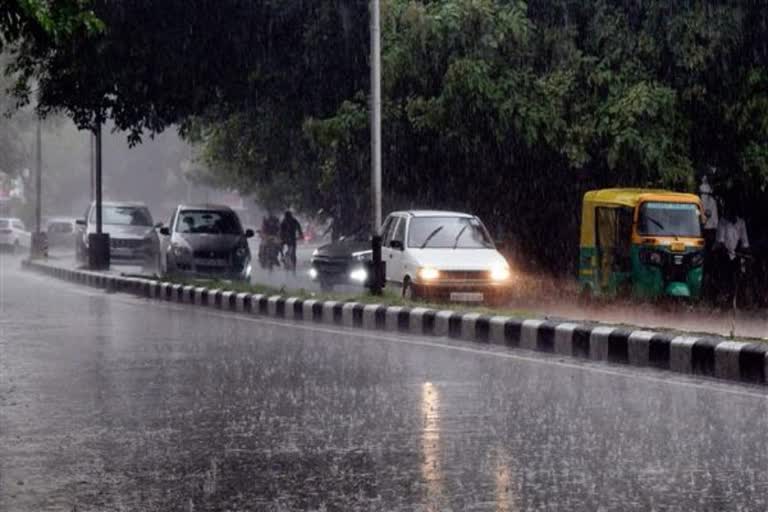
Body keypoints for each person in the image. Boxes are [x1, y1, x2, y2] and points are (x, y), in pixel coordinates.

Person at [715, 203, 750, 306]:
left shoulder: (741, 223)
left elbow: (745, 242)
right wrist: (728, 252)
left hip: (736, 255)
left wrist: (745, 253)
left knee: (739, 276)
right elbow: (720, 242)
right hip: (723, 254)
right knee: (724, 275)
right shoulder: (722, 222)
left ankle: (738, 298)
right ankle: (721, 295)